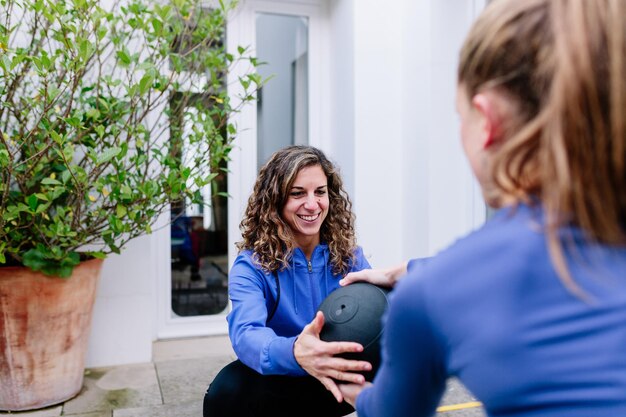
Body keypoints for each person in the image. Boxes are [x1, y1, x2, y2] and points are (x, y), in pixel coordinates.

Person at [338, 0, 626, 416]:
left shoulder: (432, 297)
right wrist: (413, 268)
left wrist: (357, 394)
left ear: (486, 121)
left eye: (461, 118)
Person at [203, 145, 372, 417]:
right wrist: (296, 352)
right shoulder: (252, 265)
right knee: (227, 389)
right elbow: (246, 334)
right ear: (275, 201)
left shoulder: (350, 258)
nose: (312, 204)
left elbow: (378, 313)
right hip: (282, 375)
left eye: (320, 192)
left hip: (333, 374)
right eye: (297, 193)